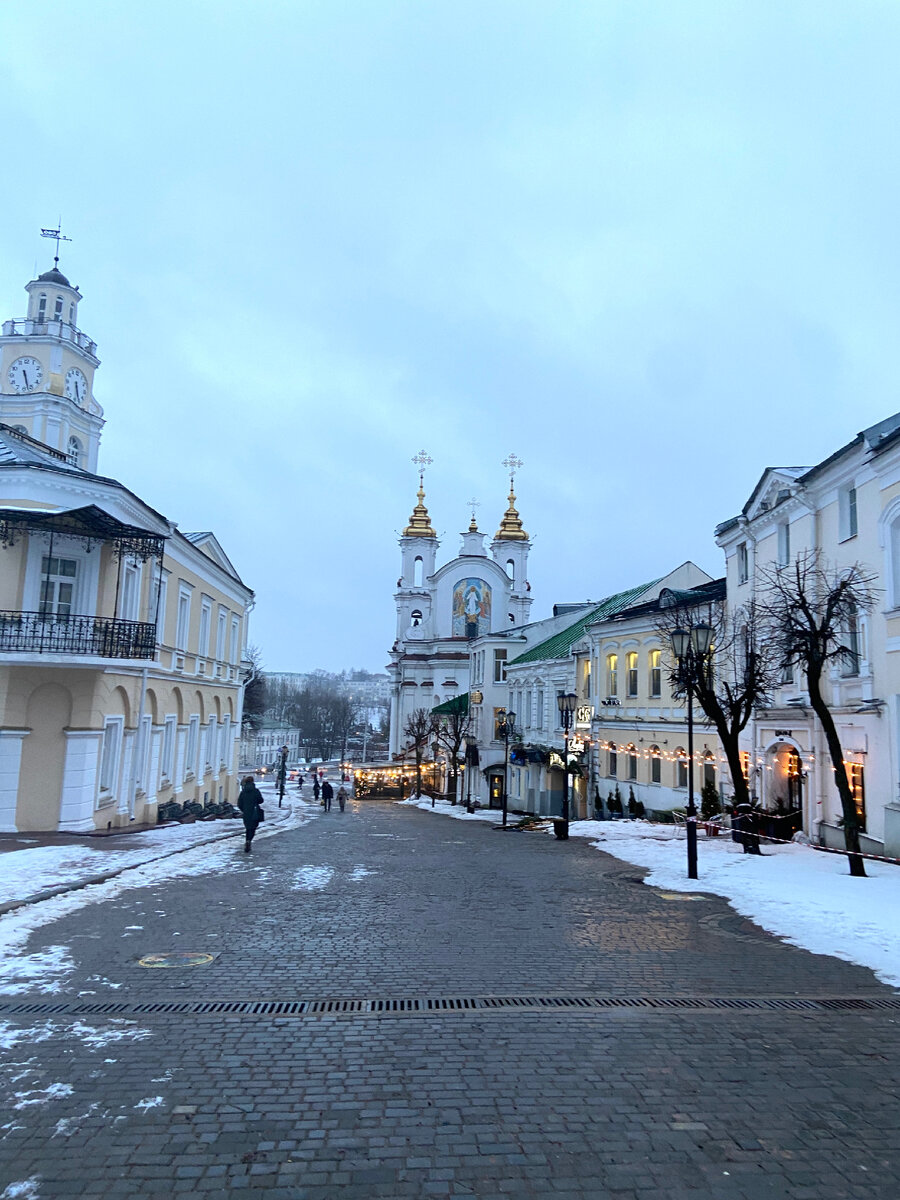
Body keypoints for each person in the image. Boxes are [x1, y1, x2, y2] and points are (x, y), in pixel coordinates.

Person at [238, 775, 265, 853]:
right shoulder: (255, 791)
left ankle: (247, 840)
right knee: (253, 828)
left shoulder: (243, 792)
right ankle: (249, 840)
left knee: (248, 828)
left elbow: (239, 803)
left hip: (246, 813)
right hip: (254, 812)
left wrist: (244, 809)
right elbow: (261, 800)